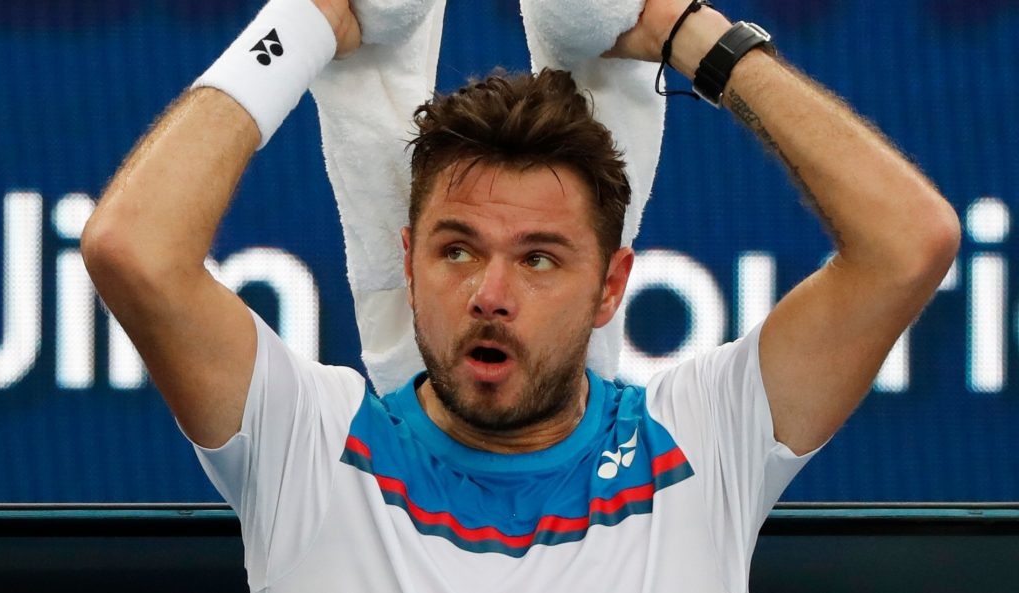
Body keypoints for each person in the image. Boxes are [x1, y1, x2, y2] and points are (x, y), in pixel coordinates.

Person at [81, 0, 960, 591]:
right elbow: (132, 248)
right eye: (457, 250)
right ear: (410, 266)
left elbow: (908, 243)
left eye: (540, 259)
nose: (490, 293)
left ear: (611, 285)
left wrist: (692, 31)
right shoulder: (306, 443)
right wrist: (304, 22)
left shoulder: (704, 440)